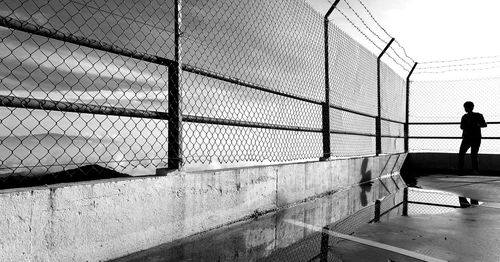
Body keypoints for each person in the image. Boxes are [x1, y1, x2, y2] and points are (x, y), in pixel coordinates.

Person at [458, 101, 487, 174]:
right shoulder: (477, 115)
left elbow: (462, 127)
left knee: (464, 153)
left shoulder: (465, 117)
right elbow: (484, 124)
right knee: (472, 154)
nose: (465, 109)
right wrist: (477, 125)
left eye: (466, 107)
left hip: (469, 137)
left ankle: (461, 169)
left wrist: (475, 125)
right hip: (474, 137)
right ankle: (474, 170)